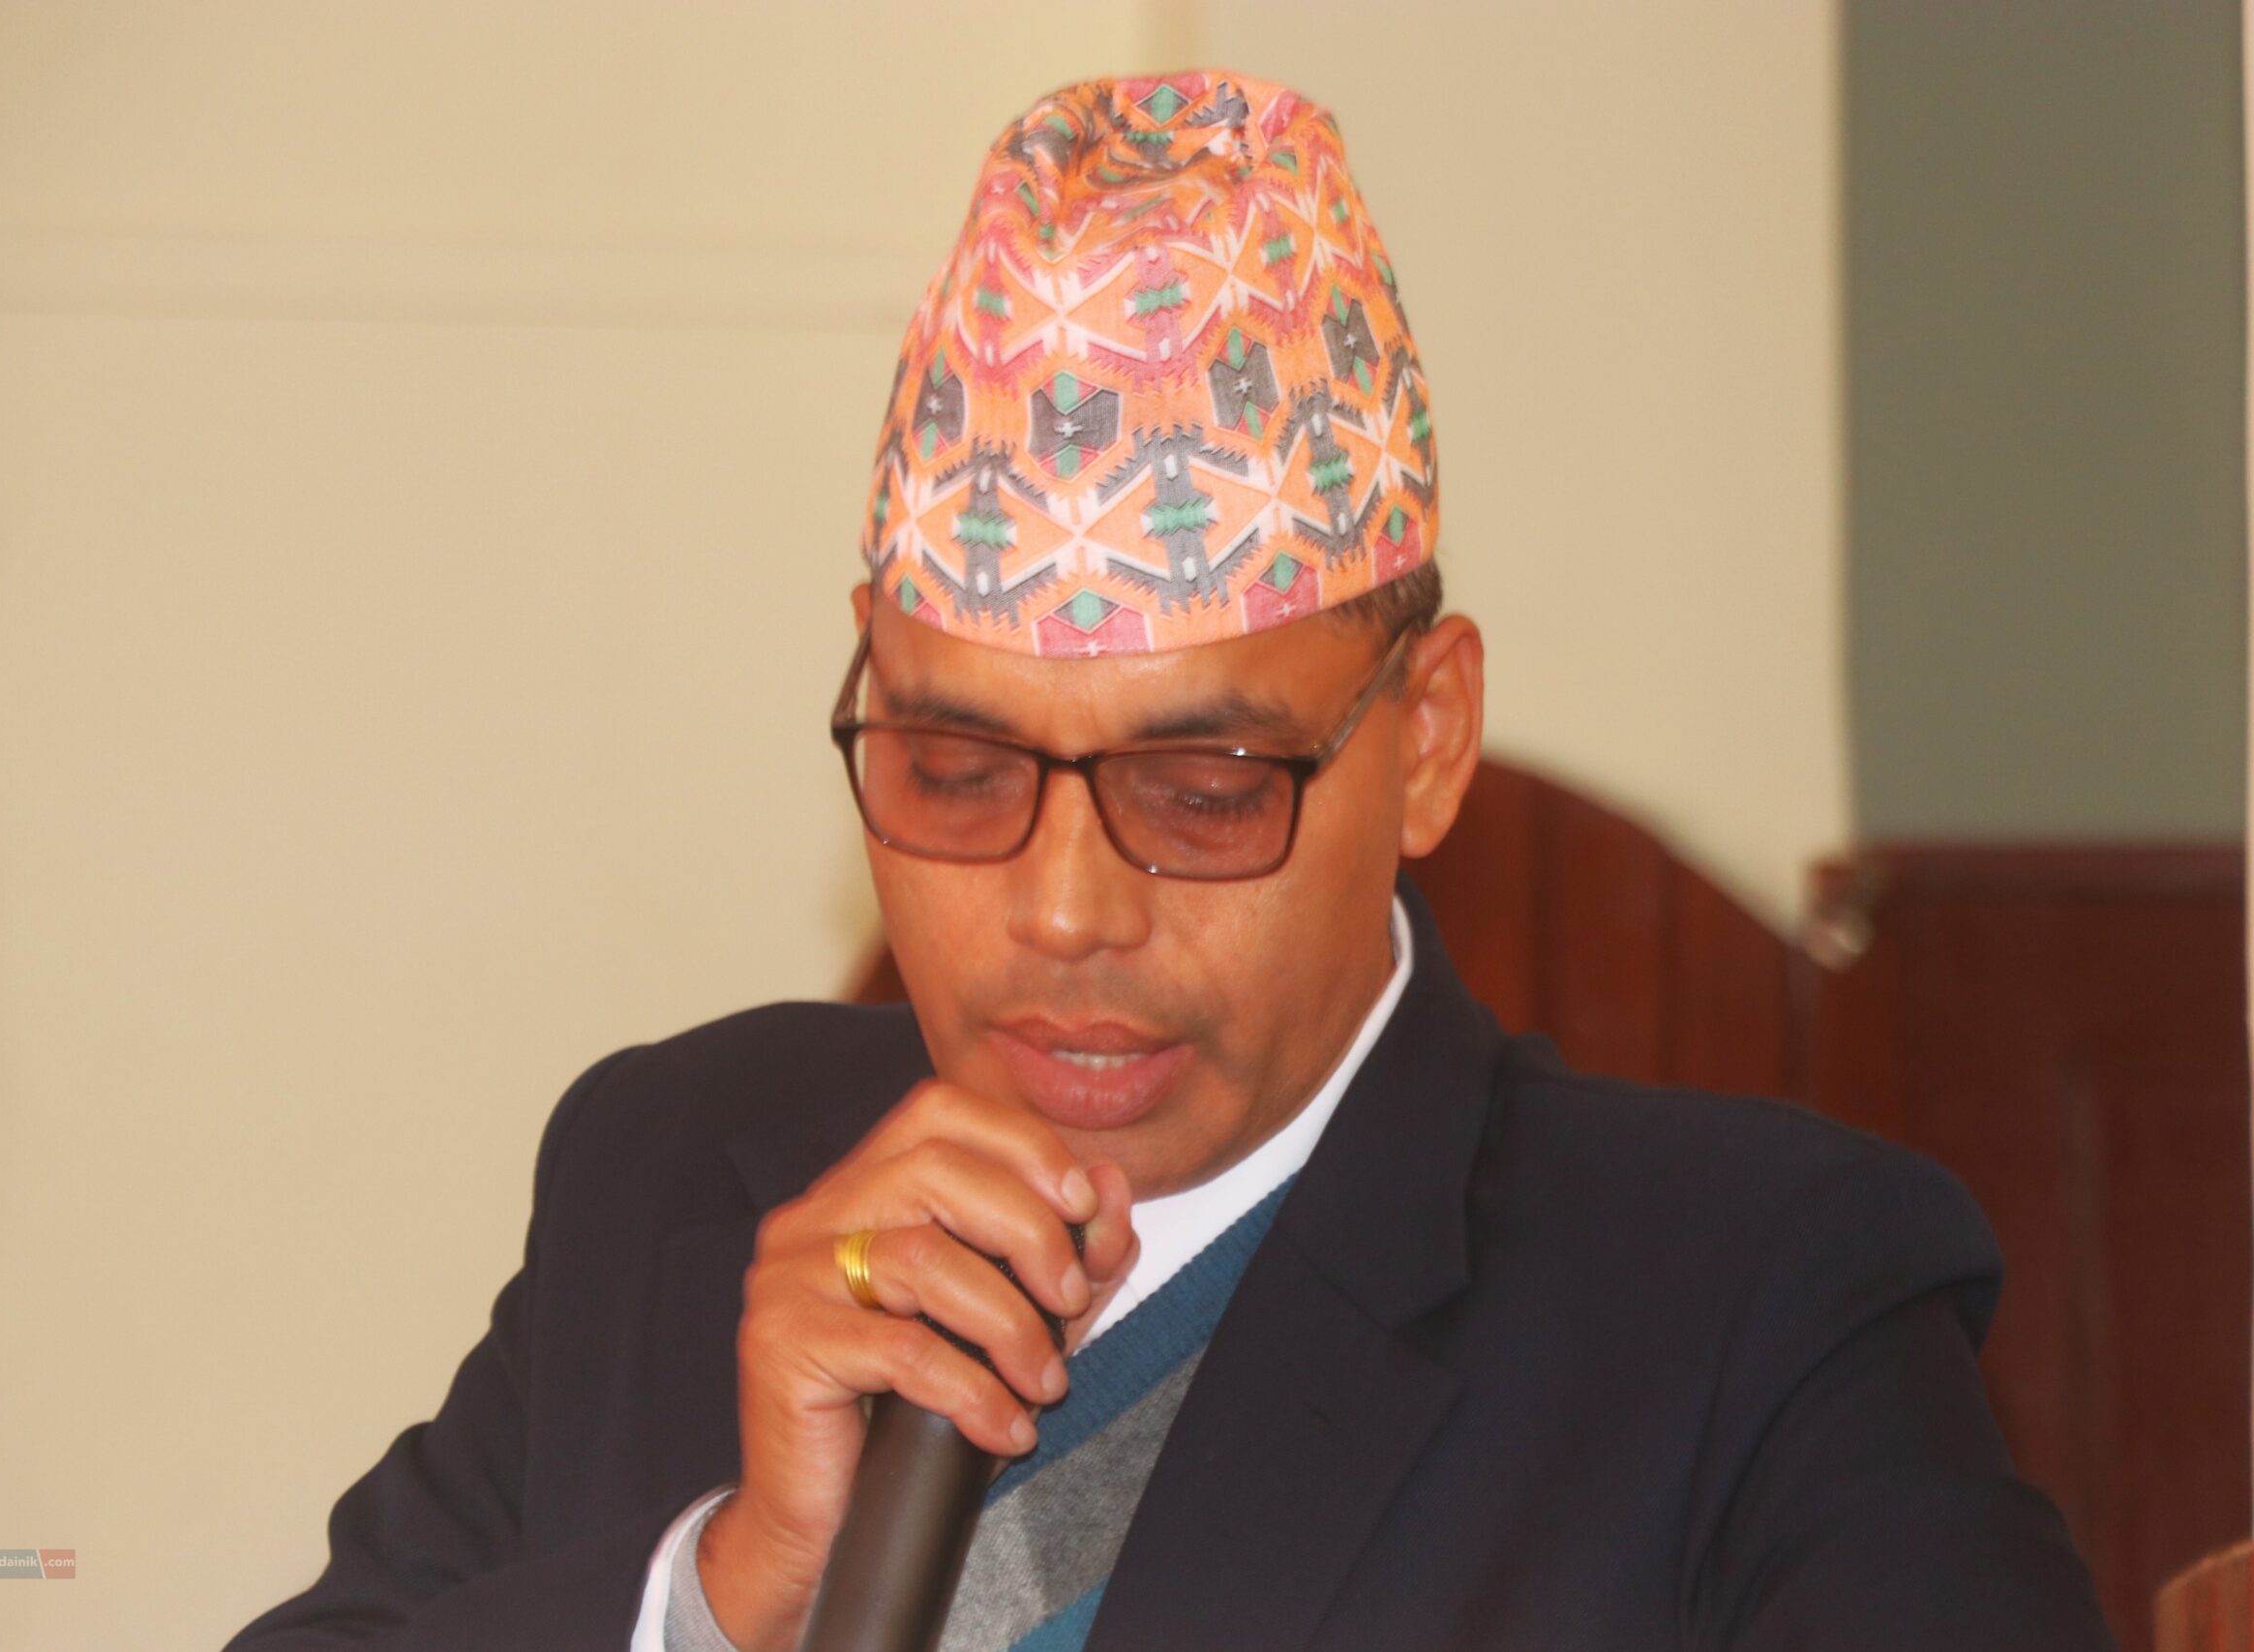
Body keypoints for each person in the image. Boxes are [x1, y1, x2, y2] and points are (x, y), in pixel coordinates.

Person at [224, 70, 2115, 1651]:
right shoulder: (672, 1182)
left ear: (1426, 738)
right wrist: (717, 1599)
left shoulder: (1748, 1301)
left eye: (1202, 790)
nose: (1061, 912)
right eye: (957, 769)